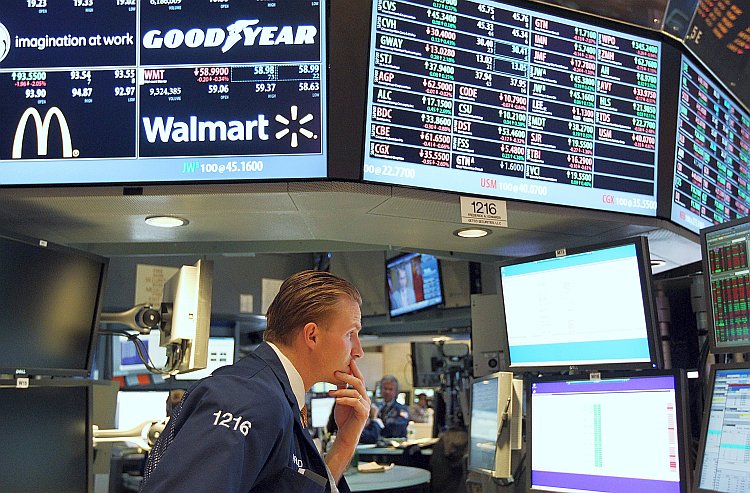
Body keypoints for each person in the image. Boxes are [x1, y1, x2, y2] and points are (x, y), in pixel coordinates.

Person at [140, 270, 370, 493]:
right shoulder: (249, 399)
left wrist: (345, 443)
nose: (358, 351)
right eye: (350, 334)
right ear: (312, 335)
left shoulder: (277, 397)